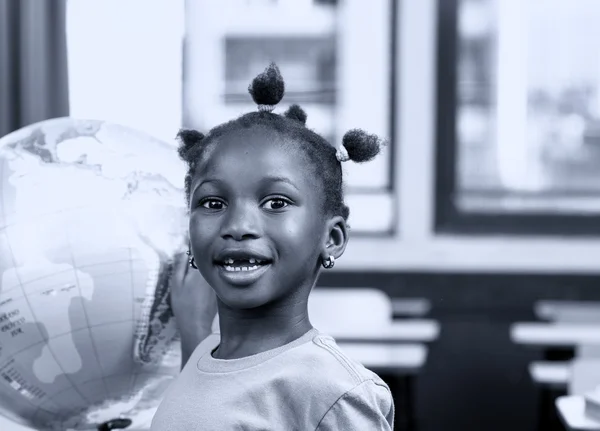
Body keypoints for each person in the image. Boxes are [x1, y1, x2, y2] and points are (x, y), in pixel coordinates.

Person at [151, 63, 395, 430]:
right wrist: (193, 328)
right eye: (213, 204)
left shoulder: (331, 391)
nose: (238, 226)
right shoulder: (204, 355)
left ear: (332, 238)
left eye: (276, 203)